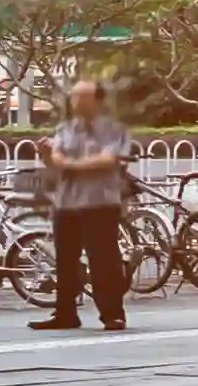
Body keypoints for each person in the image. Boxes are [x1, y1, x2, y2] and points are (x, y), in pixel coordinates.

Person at [38, 74, 140, 332]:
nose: (76, 101)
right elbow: (56, 161)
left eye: (82, 96)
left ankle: (112, 314)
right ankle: (65, 313)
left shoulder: (114, 130)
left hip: (99, 202)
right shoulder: (65, 129)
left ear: (97, 100)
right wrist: (47, 156)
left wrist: (69, 163)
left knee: (103, 259)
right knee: (65, 260)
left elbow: (108, 160)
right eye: (74, 96)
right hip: (66, 202)